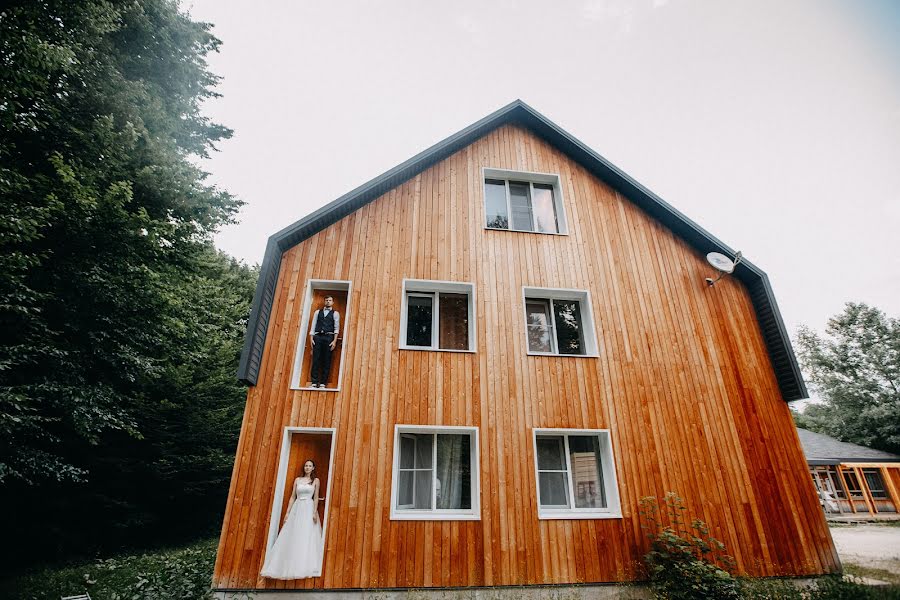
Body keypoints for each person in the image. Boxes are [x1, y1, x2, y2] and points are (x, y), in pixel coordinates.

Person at [260, 460, 324, 579]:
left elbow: (315, 498)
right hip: (297, 507)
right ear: (304, 467)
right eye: (306, 465)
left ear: (313, 468)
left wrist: (314, 512)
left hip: (308, 508)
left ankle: (305, 565)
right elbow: (292, 497)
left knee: (306, 534)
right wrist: (287, 512)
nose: (307, 467)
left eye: (310, 466)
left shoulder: (316, 481)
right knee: (293, 533)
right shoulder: (297, 480)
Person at [308, 296, 340, 388]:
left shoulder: (335, 313)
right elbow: (313, 325)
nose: (328, 302)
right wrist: (311, 338)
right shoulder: (318, 312)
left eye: (330, 300)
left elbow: (336, 328)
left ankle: (323, 383)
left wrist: (334, 341)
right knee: (316, 359)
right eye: (326, 300)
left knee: (327, 360)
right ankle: (314, 382)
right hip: (317, 337)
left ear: (332, 302)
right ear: (324, 302)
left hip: (329, 337)